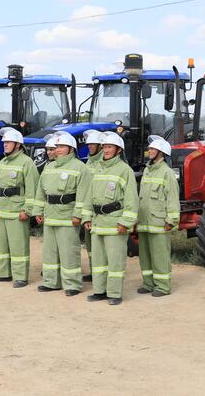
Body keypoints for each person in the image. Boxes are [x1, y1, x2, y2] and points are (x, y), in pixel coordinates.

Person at [33, 131, 91, 296]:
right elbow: (40, 191)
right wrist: (38, 210)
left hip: (68, 216)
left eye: (61, 146)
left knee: (69, 252)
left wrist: (78, 215)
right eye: (56, 146)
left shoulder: (80, 168)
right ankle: (51, 282)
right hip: (51, 215)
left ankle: (72, 284)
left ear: (71, 149)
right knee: (50, 252)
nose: (57, 149)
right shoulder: (49, 167)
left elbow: (83, 195)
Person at [84, 131, 138, 306]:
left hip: (115, 223)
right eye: (105, 147)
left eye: (110, 147)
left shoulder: (125, 170)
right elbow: (88, 196)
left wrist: (125, 222)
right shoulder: (98, 168)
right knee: (98, 262)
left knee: (115, 261)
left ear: (118, 150)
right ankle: (99, 291)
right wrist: (86, 217)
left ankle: (114, 293)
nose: (106, 150)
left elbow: (131, 200)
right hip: (98, 222)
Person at [0, 127, 39, 286]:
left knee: (18, 247)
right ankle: (4, 273)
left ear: (18, 144)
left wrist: (27, 210)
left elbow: (32, 189)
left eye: (8, 142)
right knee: (1, 246)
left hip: (17, 213)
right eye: (4, 142)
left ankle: (21, 276)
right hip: (2, 211)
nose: (5, 145)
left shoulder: (27, 162)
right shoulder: (2, 162)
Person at [136, 136, 180, 297]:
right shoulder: (147, 171)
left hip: (159, 222)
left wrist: (171, 220)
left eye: (153, 149)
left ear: (161, 153)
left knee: (160, 256)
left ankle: (162, 286)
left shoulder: (167, 173)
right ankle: (148, 283)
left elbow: (172, 198)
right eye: (150, 149)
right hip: (144, 221)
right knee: (145, 256)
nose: (150, 151)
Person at [81, 129, 104, 282]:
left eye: (92, 144)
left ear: (100, 146)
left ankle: (101, 273)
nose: (89, 147)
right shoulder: (89, 161)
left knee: (100, 245)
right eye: (88, 144)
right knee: (89, 243)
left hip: (100, 210)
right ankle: (93, 270)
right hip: (88, 209)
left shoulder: (104, 162)